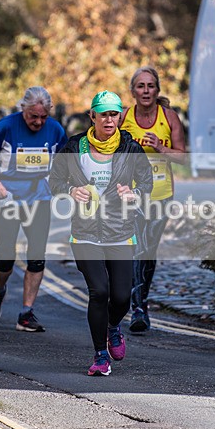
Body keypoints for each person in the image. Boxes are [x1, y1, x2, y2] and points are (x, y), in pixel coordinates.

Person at [50, 90, 153, 376]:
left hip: (120, 232)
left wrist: (133, 194)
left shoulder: (130, 148)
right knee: (99, 292)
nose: (109, 120)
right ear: (92, 116)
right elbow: (54, 181)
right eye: (103, 114)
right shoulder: (74, 147)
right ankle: (99, 355)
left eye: (114, 114)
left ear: (120, 116)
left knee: (121, 297)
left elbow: (147, 183)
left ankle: (113, 327)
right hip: (84, 233)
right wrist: (71, 190)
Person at [0, 86, 67, 332]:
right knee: (5, 256)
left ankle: (26, 314)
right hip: (7, 196)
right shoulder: (6, 127)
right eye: (32, 116)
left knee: (36, 256)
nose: (38, 121)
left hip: (39, 196)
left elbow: (65, 161)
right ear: (22, 109)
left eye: (43, 116)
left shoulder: (56, 130)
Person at [120, 66, 187, 333]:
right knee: (137, 247)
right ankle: (138, 308)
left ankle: (140, 299)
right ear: (133, 91)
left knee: (148, 250)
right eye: (141, 86)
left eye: (150, 86)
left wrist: (161, 148)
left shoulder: (168, 117)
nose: (146, 91)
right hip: (131, 195)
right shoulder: (124, 117)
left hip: (161, 194)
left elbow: (182, 157)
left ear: (157, 91)